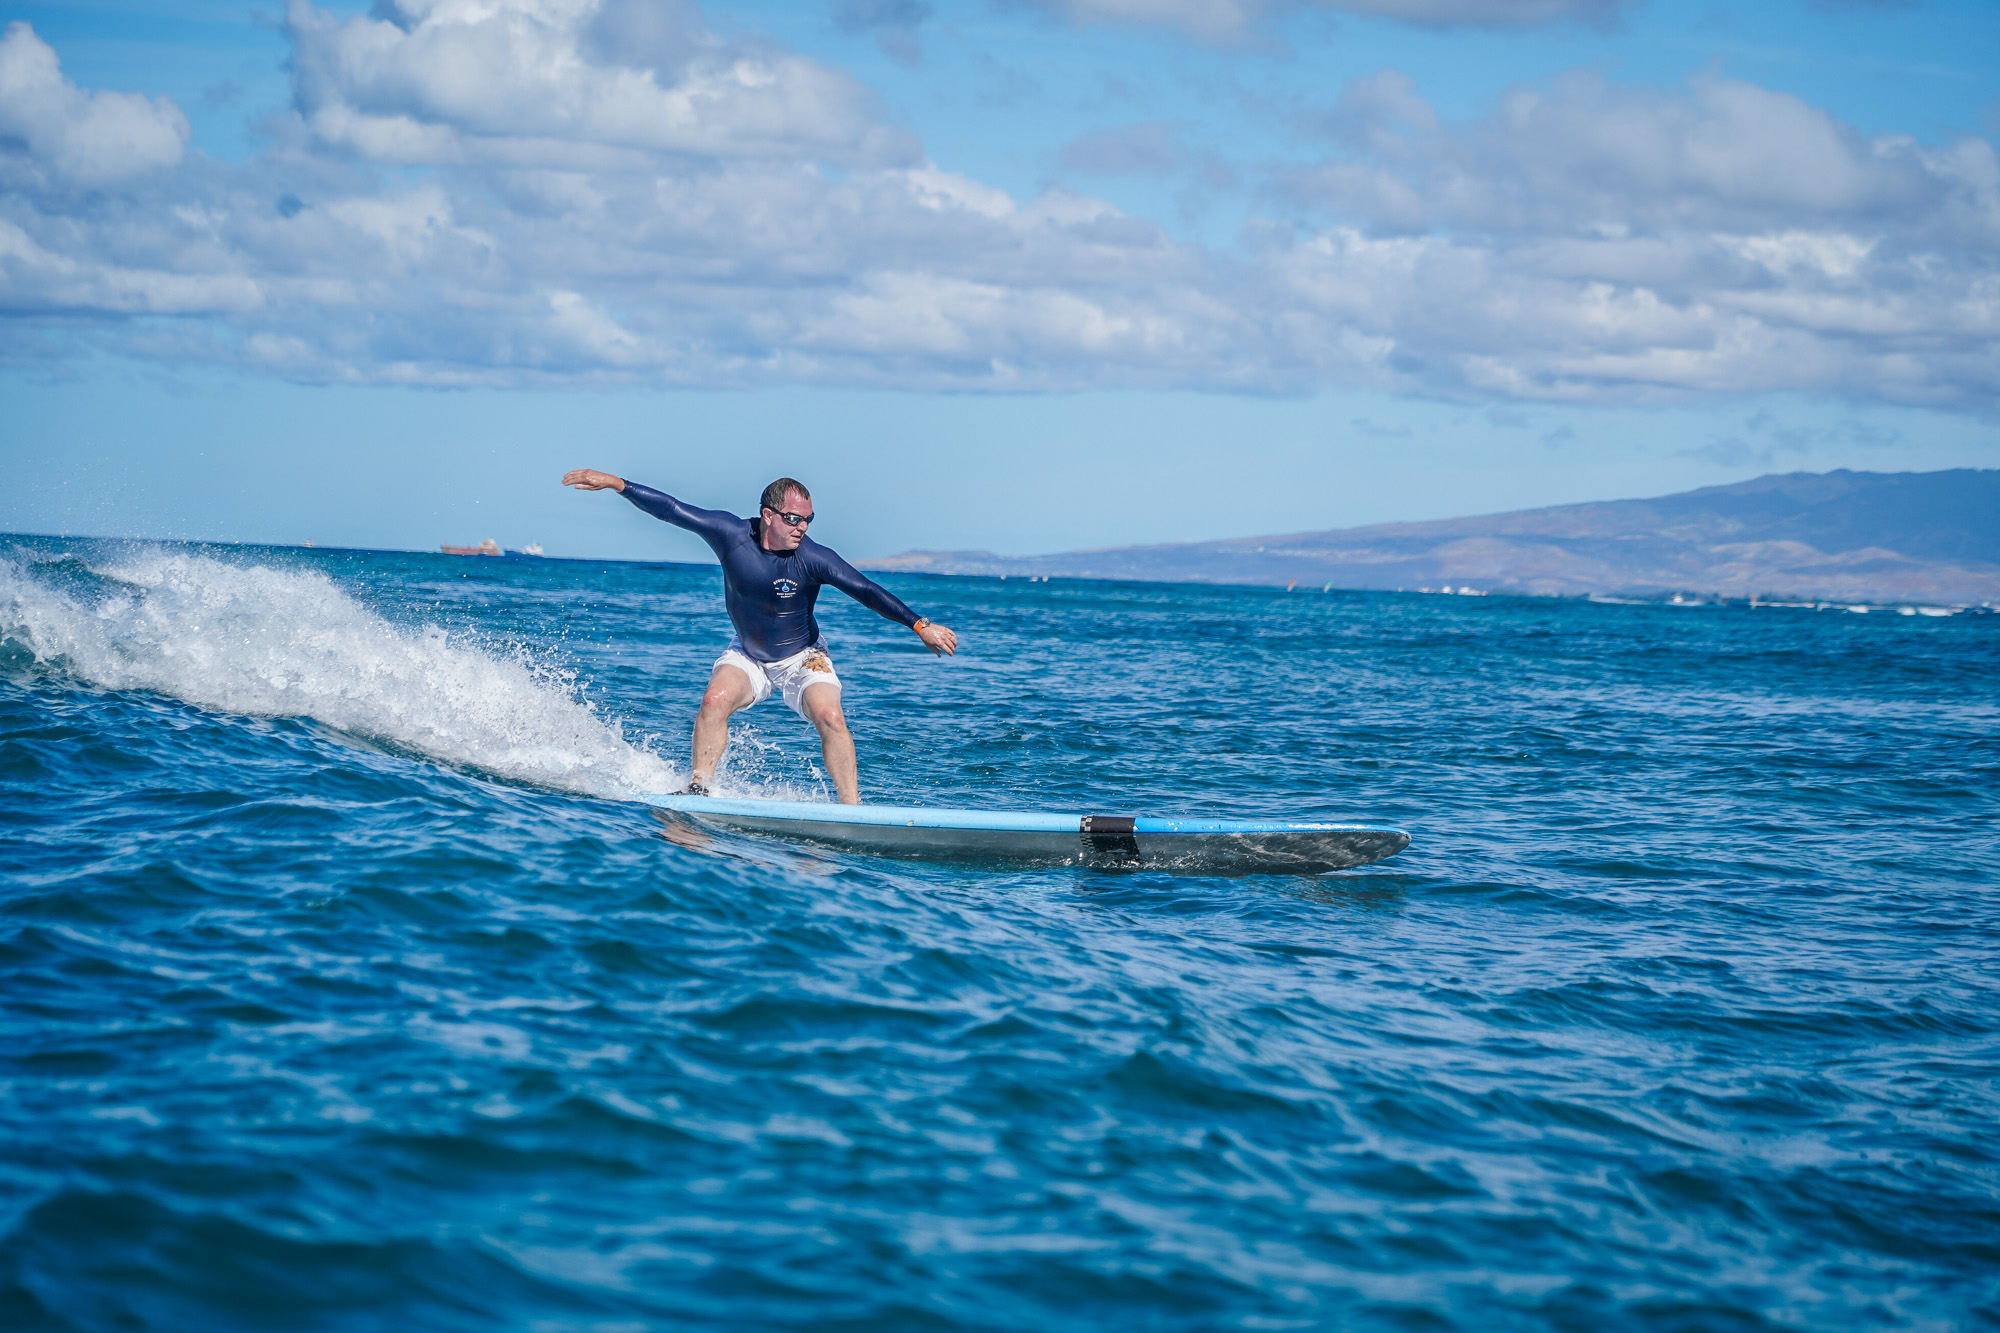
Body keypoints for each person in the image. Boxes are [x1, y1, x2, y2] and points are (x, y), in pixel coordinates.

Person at [562, 468, 957, 804]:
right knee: (714, 699)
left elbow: (867, 591)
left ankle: (852, 811)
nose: (801, 528)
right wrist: (618, 484)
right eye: (793, 519)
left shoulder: (813, 558)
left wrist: (920, 625)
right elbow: (672, 509)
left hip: (803, 656)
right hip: (748, 654)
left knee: (831, 715)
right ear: (768, 515)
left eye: (808, 520)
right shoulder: (730, 535)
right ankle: (699, 790)